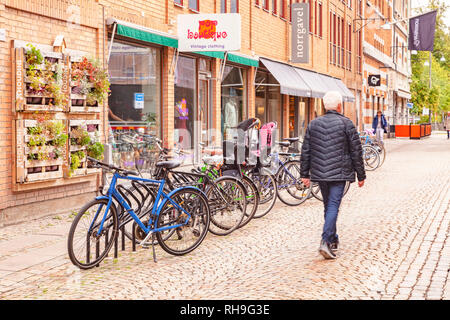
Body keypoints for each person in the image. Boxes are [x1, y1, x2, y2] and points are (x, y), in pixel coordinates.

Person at [300, 91, 366, 260]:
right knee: (333, 206)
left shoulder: (313, 124)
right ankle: (325, 240)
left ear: (324, 106)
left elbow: (306, 150)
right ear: (339, 106)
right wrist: (361, 175)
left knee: (328, 205)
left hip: (320, 173)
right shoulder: (346, 124)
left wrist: (304, 173)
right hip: (339, 173)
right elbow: (356, 151)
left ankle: (333, 239)